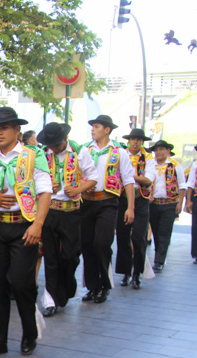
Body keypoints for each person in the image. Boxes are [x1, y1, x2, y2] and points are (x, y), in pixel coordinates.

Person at [0, 107, 51, 357]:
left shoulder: (32, 155)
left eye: (4, 128)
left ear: (17, 130)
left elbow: (45, 192)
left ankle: (29, 334)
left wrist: (37, 225)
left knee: (21, 282)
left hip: (23, 224)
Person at [36, 122, 96, 317]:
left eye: (55, 143)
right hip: (50, 209)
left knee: (70, 255)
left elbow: (93, 178)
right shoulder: (43, 154)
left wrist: (78, 189)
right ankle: (50, 300)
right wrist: (46, 185)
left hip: (72, 211)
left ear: (64, 139)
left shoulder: (80, 152)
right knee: (51, 257)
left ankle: (66, 286)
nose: (52, 147)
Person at [78, 115, 135, 304]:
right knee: (86, 244)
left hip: (107, 201)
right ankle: (92, 286)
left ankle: (104, 284)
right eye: (92, 126)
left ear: (107, 130)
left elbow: (128, 180)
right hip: (87, 202)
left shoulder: (119, 152)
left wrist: (131, 208)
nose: (93, 129)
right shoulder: (85, 150)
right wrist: (82, 184)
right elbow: (75, 174)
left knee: (102, 243)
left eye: (96, 126)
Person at [115, 128, 153, 290]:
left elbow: (148, 180)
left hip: (141, 199)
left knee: (139, 237)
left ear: (142, 142)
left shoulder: (148, 158)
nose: (135, 142)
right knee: (122, 236)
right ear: (129, 141)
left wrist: (128, 175)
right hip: (122, 199)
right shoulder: (120, 154)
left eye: (138, 139)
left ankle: (137, 273)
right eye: (133, 139)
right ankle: (125, 272)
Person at [148, 140, 186, 272]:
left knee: (164, 232)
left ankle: (159, 260)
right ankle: (159, 255)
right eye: (156, 150)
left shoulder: (175, 166)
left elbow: (182, 185)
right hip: (154, 204)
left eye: (161, 149)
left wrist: (180, 202)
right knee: (156, 232)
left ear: (167, 151)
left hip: (169, 204)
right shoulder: (150, 165)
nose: (158, 152)